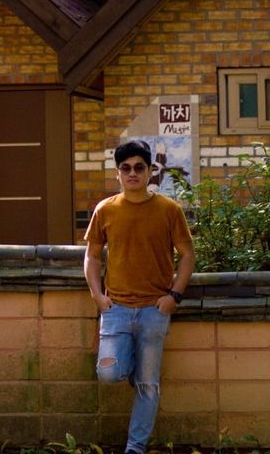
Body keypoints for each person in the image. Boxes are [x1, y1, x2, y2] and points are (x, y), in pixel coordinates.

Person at [83, 139, 195, 454]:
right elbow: (92, 256)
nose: (132, 173)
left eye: (139, 167)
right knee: (108, 373)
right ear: (118, 172)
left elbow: (187, 254)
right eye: (126, 168)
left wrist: (174, 295)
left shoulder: (169, 210)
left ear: (149, 171)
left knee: (148, 385)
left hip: (154, 311)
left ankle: (135, 448)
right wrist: (96, 294)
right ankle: (131, 365)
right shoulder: (105, 210)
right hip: (115, 308)